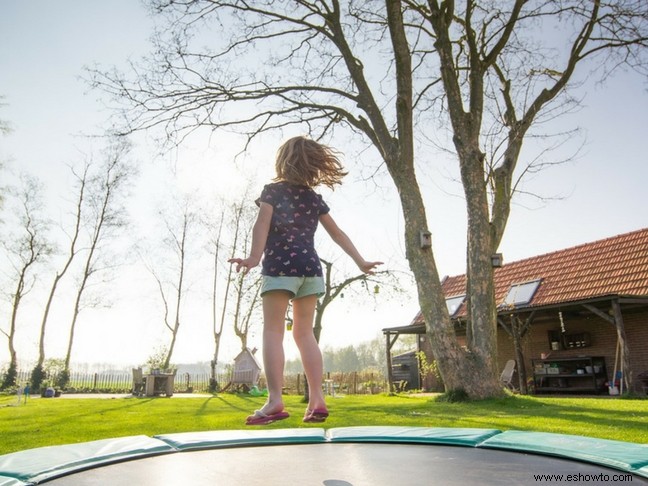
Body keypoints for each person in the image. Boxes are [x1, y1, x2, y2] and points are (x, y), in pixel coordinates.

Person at [229, 135, 382, 425]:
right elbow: (337, 234)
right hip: (310, 269)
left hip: (280, 269)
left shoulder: (272, 192)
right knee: (304, 334)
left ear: (283, 161)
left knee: (273, 332)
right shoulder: (314, 198)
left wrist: (253, 258)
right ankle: (317, 399)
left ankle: (275, 400)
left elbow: (261, 223)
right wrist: (360, 261)